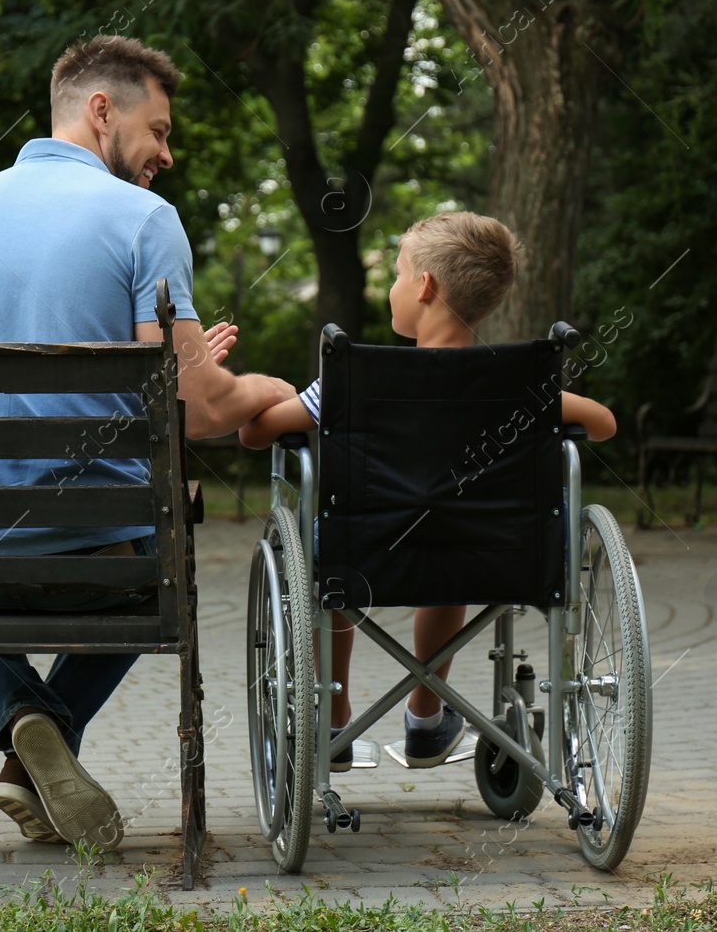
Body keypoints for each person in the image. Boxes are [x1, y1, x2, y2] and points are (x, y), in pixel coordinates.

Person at [0, 35, 295, 850]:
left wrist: (172, 372)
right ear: (99, 110)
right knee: (171, 562)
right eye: (157, 130)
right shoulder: (145, 219)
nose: (167, 152)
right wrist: (267, 389)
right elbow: (198, 413)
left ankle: (21, 721)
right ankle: (42, 731)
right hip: (102, 566)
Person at [237, 212, 616, 769]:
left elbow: (254, 433)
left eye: (397, 274)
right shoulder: (519, 386)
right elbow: (602, 424)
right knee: (449, 539)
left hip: (365, 551)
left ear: (426, 286)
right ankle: (426, 716)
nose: (392, 287)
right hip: (493, 552)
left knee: (331, 552)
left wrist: (260, 392)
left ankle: (333, 719)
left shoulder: (354, 380)